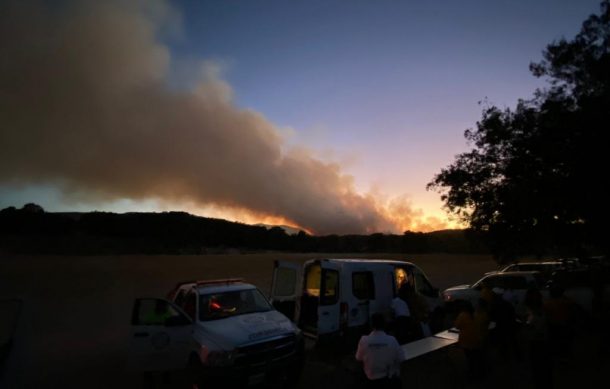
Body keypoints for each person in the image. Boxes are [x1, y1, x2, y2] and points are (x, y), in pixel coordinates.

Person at [356, 313, 405, 388]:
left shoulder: (364, 340)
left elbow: (358, 357)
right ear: (384, 325)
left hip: (370, 381)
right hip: (388, 379)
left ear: (371, 325)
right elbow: (402, 357)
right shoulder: (391, 340)